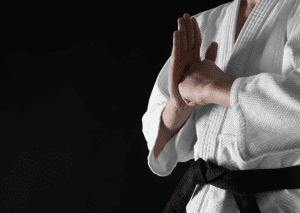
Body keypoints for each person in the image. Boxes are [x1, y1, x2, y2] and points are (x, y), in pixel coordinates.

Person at [142, 0, 300, 212]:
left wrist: (212, 87)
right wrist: (179, 106)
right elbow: (157, 137)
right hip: (202, 203)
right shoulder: (204, 23)